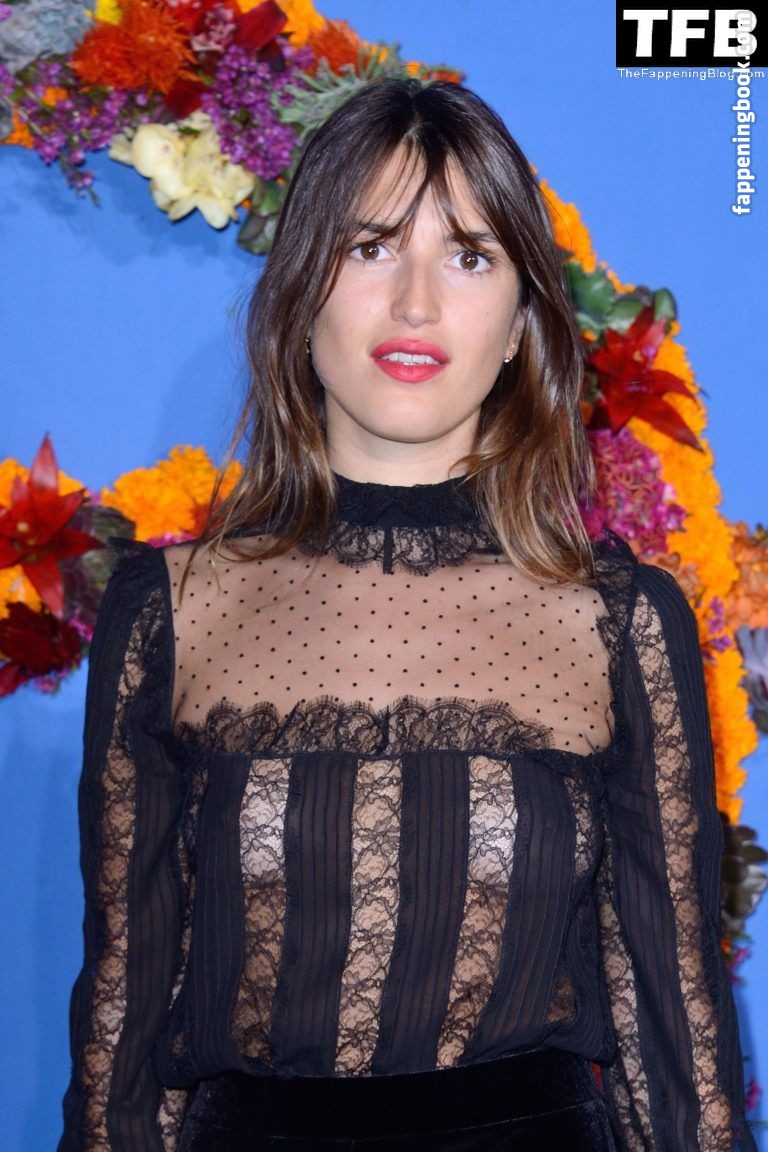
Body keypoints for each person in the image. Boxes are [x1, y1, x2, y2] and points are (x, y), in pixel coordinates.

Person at [59, 78, 756, 1151]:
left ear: (522, 324)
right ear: (302, 292)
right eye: (372, 247)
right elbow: (123, 1024)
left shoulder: (615, 620)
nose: (417, 303)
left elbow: (677, 1038)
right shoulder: (174, 611)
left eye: (469, 257)